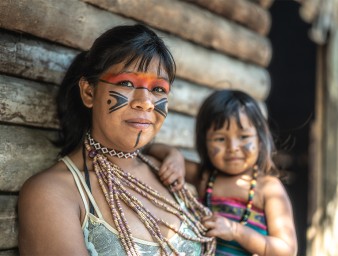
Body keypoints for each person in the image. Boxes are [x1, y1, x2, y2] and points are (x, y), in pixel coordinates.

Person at [18, 24, 216, 256]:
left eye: (158, 89)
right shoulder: (52, 193)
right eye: (126, 83)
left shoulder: (168, 173)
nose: (146, 102)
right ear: (89, 93)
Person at [149, 89, 298, 255]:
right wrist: (174, 156)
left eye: (243, 137)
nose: (232, 148)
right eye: (220, 139)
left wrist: (235, 231)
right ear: (204, 142)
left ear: (260, 139)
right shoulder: (205, 177)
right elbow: (151, 150)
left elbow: (286, 250)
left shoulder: (269, 188)